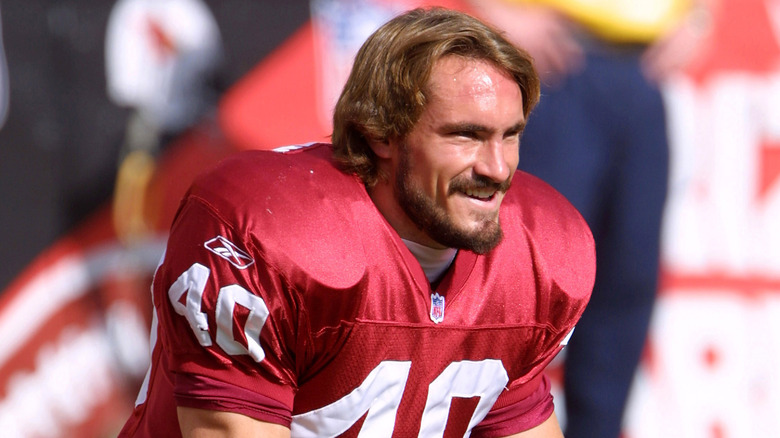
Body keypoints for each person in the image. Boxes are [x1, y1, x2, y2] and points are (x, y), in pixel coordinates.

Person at [118, 7, 595, 437]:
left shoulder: (534, 253)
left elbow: (516, 417)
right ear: (381, 134)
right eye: (466, 136)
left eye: (510, 135)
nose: (497, 168)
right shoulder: (272, 231)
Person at [472, 1, 715, 437]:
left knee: (626, 281)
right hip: (557, 63)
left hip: (642, 68)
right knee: (522, 275)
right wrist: (495, 10)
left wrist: (697, 13)